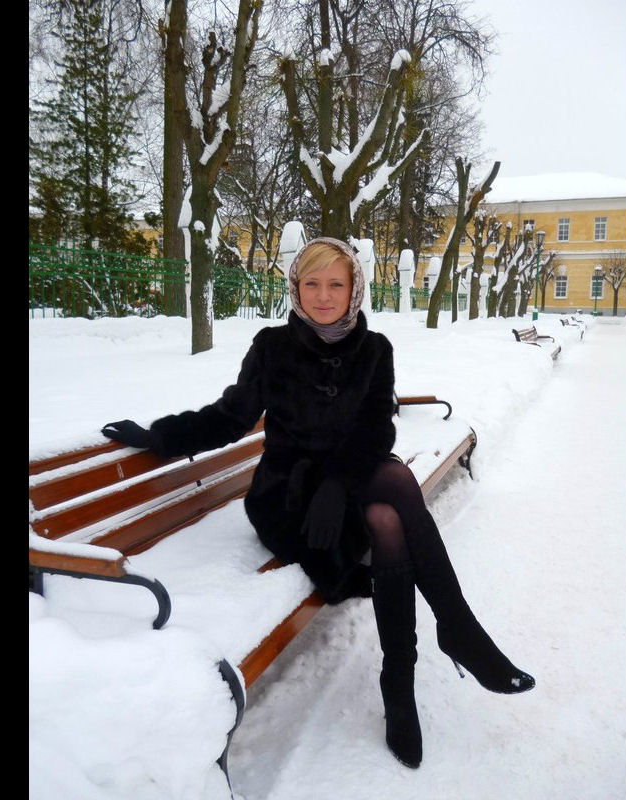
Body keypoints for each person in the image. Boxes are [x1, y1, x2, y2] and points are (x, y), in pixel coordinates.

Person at [102, 236, 534, 769]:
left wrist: (338, 484)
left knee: (387, 516)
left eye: (335, 284)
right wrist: (161, 436)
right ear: (295, 287)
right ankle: (457, 631)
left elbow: (377, 430)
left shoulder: (375, 350)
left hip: (347, 495)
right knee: (394, 490)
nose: (323, 296)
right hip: (287, 499)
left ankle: (399, 681)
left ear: (354, 289)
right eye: (312, 283)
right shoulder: (272, 347)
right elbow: (230, 416)